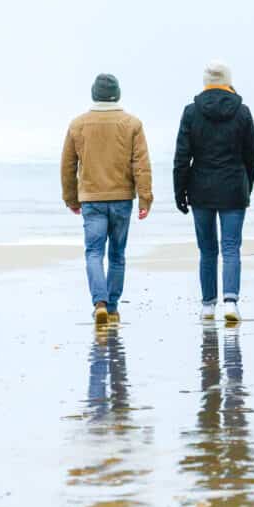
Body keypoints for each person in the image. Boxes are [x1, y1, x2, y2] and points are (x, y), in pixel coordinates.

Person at [61, 73, 153, 326]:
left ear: (94, 94)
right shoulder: (132, 124)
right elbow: (141, 165)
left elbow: (68, 166)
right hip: (122, 198)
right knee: (117, 254)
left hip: (92, 199)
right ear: (117, 94)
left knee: (93, 252)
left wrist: (71, 198)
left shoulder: (78, 124)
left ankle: (99, 302)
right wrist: (145, 198)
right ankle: (111, 307)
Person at [174, 60, 254, 322]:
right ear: (228, 80)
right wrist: (247, 184)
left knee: (208, 250)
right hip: (233, 187)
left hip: (201, 188)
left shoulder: (191, 112)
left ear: (206, 82)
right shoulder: (242, 112)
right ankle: (231, 302)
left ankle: (208, 305)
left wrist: (180, 192)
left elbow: (182, 157)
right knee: (231, 247)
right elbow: (252, 154)